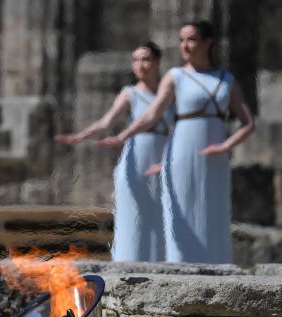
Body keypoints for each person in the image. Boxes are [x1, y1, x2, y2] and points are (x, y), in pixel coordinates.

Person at [98, 21, 255, 263]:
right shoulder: (175, 76)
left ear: (207, 43)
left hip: (214, 154)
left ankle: (217, 270)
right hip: (181, 150)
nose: (185, 45)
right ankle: (180, 268)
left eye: (191, 39)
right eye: (182, 40)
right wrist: (122, 135)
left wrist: (225, 146)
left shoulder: (226, 79)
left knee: (214, 212)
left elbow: (248, 123)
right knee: (179, 211)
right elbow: (151, 115)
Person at [55, 42, 173, 262]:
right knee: (134, 215)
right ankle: (129, 262)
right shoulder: (130, 94)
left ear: (157, 62)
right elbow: (106, 121)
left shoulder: (168, 93)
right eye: (136, 60)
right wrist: (80, 136)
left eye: (146, 59)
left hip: (162, 158)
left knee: (163, 214)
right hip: (136, 158)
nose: (140, 65)